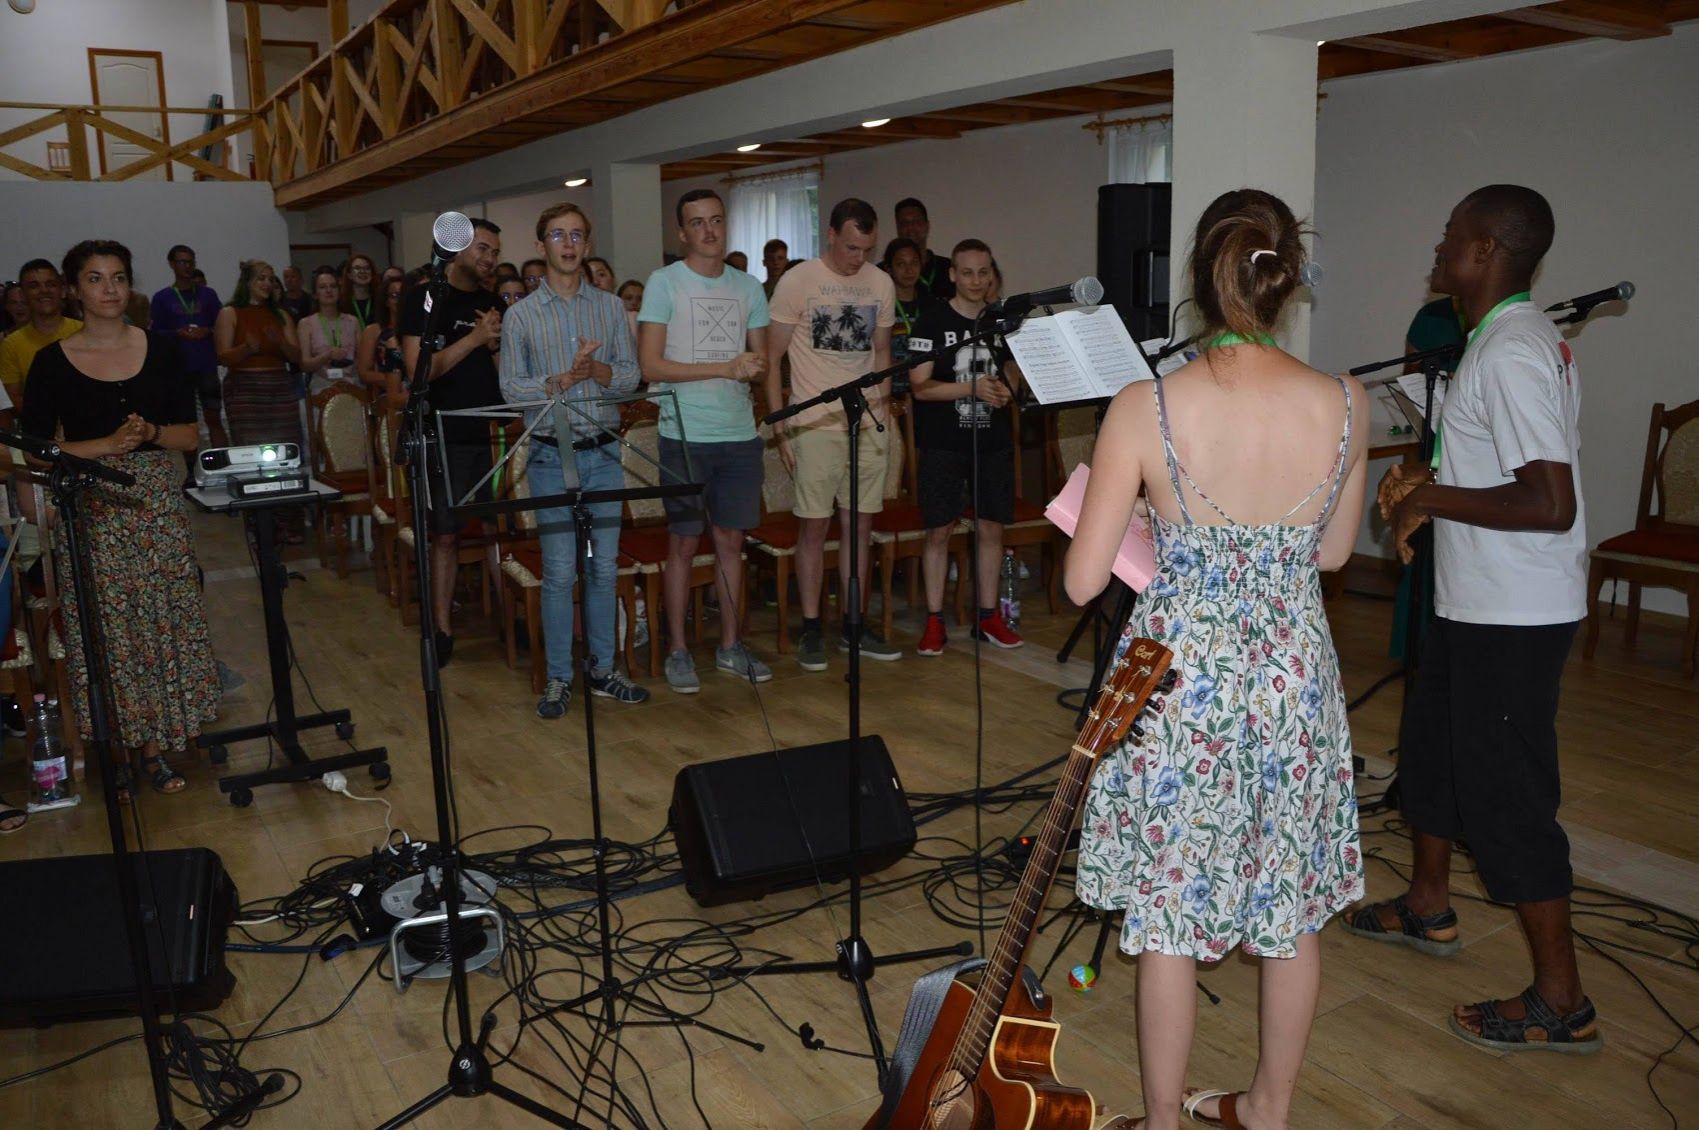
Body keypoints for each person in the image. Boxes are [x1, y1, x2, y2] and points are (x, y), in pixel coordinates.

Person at [1067, 188, 1369, 1130]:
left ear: (1199, 279)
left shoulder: (1145, 405)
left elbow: (1081, 583)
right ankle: (1267, 1109)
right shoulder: (1347, 402)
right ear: (1286, 282)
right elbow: (1332, 555)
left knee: (1167, 913)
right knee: (1290, 907)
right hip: (1291, 677)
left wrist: (1145, 515)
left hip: (1179, 686)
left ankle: (1162, 1120)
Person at [1347, 185, 1598, 1057]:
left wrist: (1428, 496)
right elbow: (1490, 463)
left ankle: (1562, 1002)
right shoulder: (1491, 341)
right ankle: (1427, 905)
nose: (1438, 246)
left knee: (1508, 798)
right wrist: (1427, 478)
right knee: (1431, 755)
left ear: (1486, 250)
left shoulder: (1513, 350)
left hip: (1515, 614)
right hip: (1472, 601)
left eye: (1450, 234)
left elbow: (1548, 501)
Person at [21, 239, 219, 802]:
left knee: (160, 626)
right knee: (110, 634)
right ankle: (117, 753)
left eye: (117, 277)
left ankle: (154, 749)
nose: (108, 289)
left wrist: (150, 433)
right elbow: (37, 451)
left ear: (129, 285)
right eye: (95, 278)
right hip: (94, 507)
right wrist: (105, 445)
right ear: (73, 289)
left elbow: (189, 435)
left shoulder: (162, 350)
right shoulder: (52, 361)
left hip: (156, 506)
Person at [500, 203, 647, 716]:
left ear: (587, 244)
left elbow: (630, 377)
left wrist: (595, 372)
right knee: (561, 572)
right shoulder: (520, 315)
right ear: (541, 245)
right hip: (549, 455)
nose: (568, 244)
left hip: (602, 452)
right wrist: (556, 382)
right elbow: (510, 387)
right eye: (558, 235)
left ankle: (604, 671)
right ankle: (559, 678)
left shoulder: (609, 308)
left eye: (577, 235)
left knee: (603, 568)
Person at [638, 189, 772, 694]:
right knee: (683, 543)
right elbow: (651, 365)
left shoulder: (748, 286)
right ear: (682, 232)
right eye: (697, 223)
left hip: (739, 434)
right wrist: (724, 366)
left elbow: (761, 363)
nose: (709, 230)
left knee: (732, 544)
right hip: (684, 433)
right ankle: (677, 649)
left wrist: (754, 369)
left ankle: (730, 646)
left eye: (716, 220)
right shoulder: (664, 282)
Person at [765, 197, 901, 668]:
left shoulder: (880, 283)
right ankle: (810, 627)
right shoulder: (798, 281)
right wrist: (781, 428)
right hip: (814, 422)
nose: (858, 259)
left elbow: (881, 353)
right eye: (850, 248)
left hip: (867, 420)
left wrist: (884, 415)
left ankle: (853, 626)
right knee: (814, 526)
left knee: (860, 527)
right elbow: (772, 361)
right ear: (830, 234)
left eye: (866, 249)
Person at [908, 238, 1024, 655]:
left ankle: (988, 616)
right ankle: (934, 620)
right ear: (953, 275)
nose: (976, 280)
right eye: (968, 272)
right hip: (943, 442)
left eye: (983, 272)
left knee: (992, 527)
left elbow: (1012, 366)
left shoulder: (1003, 321)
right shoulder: (931, 321)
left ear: (992, 274)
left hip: (992, 441)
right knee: (939, 530)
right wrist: (971, 388)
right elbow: (919, 387)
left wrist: (1008, 387)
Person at [399, 219, 504, 666]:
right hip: (443, 433)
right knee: (445, 535)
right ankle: (441, 628)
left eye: (495, 252)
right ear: (458, 249)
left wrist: (494, 347)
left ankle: (510, 618)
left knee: (501, 528)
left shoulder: (492, 302)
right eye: (482, 248)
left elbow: (503, 374)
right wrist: (475, 339)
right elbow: (419, 371)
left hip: (493, 433)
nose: (490, 259)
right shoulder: (423, 299)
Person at [215, 260, 305, 539]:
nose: (267, 284)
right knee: (252, 456)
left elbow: (297, 357)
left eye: (270, 279)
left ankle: (288, 521)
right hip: (245, 391)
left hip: (279, 388)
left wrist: (280, 343)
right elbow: (223, 356)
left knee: (286, 454)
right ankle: (260, 525)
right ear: (248, 283)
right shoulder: (230, 313)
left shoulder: (280, 315)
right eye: (261, 279)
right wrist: (246, 348)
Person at [149, 245, 227, 469]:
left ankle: (222, 464)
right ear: (172, 264)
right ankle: (192, 472)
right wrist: (177, 333)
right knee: (185, 422)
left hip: (206, 364)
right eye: (182, 262)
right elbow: (156, 333)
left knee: (214, 417)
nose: (187, 266)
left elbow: (221, 325)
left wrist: (207, 331)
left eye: (191, 262)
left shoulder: (207, 294)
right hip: (178, 367)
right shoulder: (162, 297)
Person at [0, 259, 81, 409]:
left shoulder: (85, 331)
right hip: (38, 422)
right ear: (23, 294)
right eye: (34, 286)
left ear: (63, 290)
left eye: (51, 284)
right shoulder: (11, 345)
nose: (44, 291)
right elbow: (14, 399)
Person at [297, 267, 361, 393]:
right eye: (322, 287)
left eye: (333, 286)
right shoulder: (306, 323)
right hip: (321, 386)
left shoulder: (352, 321)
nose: (328, 290)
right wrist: (328, 355)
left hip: (352, 383)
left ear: (339, 291)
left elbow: (363, 359)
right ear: (315, 294)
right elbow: (305, 364)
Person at [892, 197, 954, 301]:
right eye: (904, 223)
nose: (910, 227)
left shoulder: (949, 269)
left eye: (916, 221)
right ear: (898, 228)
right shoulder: (883, 273)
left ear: (927, 226)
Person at [882, 237, 925, 379]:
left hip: (923, 386)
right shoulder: (882, 307)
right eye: (901, 264)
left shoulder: (932, 307)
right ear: (889, 269)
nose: (909, 270)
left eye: (914, 263)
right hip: (889, 387)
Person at [356, 275, 407, 391]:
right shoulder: (373, 331)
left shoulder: (417, 329)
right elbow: (364, 372)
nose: (400, 300)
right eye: (395, 296)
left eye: (404, 295)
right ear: (386, 301)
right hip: (386, 392)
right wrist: (395, 382)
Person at [340, 253, 379, 330]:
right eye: (357, 268)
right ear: (349, 274)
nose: (362, 271)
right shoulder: (341, 302)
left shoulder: (380, 300)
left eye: (367, 268)